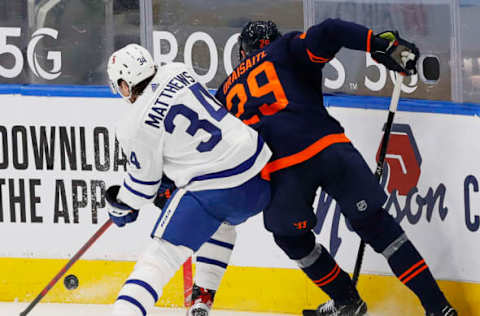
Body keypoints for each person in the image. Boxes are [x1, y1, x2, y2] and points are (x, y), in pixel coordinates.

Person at [207, 20, 455, 316]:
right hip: (329, 148)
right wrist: (380, 44)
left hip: (284, 171)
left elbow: (217, 146)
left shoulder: (225, 92)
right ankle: (438, 308)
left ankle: (346, 301)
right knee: (376, 225)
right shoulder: (286, 49)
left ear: (242, 52)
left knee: (291, 237)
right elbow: (330, 31)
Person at [104, 43, 272, 316]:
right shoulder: (178, 70)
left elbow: (143, 189)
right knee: (221, 224)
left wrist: (120, 205)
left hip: (217, 185)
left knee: (159, 258)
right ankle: (201, 301)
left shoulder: (131, 126)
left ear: (125, 85)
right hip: (259, 171)